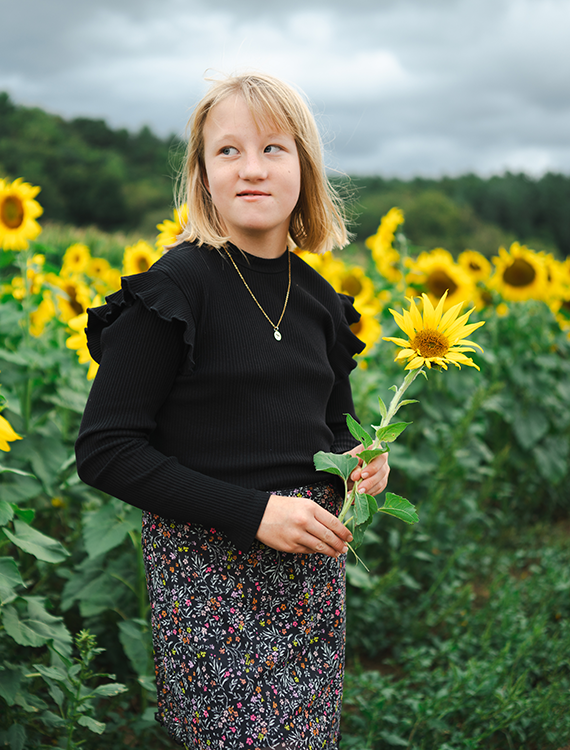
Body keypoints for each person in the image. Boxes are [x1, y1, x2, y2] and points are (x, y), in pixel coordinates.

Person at [75, 72, 390, 750]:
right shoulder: (171, 292)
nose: (252, 169)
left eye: (274, 149)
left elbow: (332, 430)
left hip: (309, 576)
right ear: (201, 173)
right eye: (228, 151)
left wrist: (363, 462)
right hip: (208, 572)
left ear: (304, 167)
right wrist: (255, 512)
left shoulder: (321, 305)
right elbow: (106, 450)